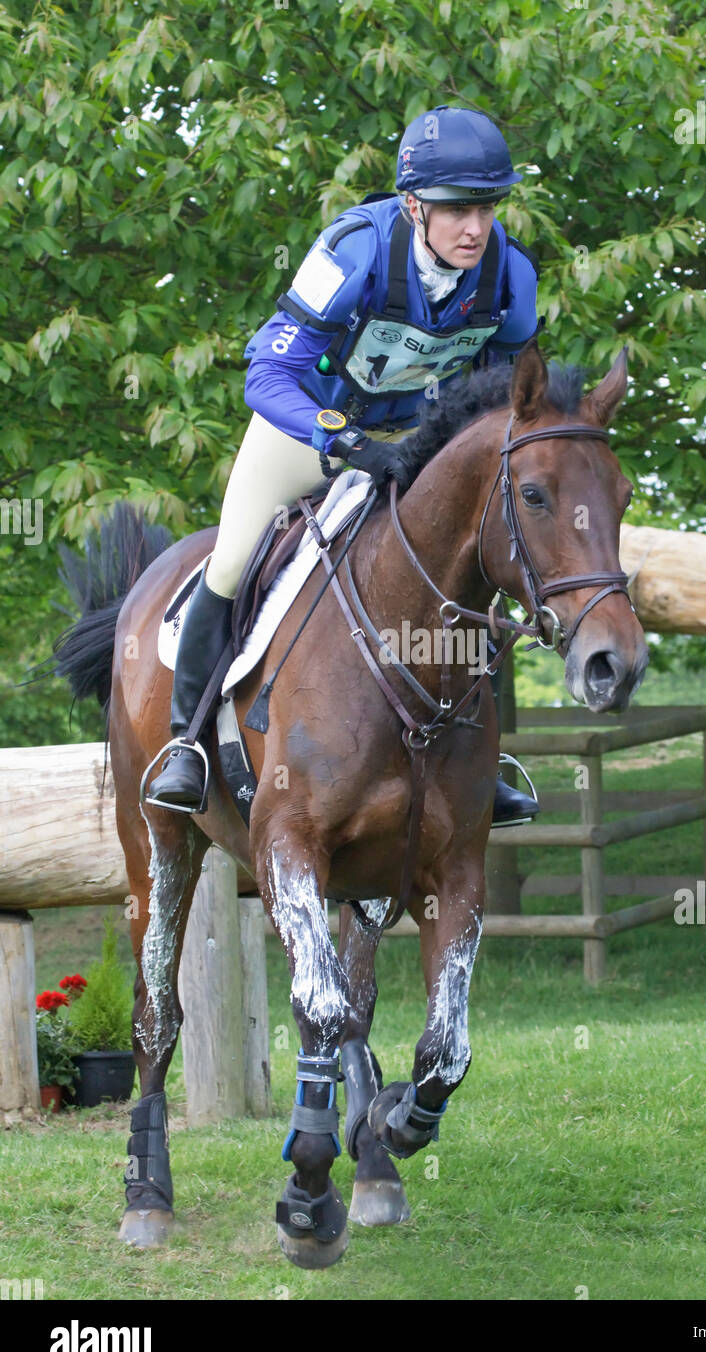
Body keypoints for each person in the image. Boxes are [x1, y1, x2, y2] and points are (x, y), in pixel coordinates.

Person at [146, 105, 540, 826]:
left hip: (414, 442)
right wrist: (345, 441)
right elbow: (265, 374)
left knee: (475, 567)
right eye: (456, 210)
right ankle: (186, 745)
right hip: (308, 430)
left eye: (485, 207)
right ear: (414, 204)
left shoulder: (509, 278)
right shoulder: (355, 250)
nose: (474, 229)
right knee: (232, 562)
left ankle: (485, 757)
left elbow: (497, 394)